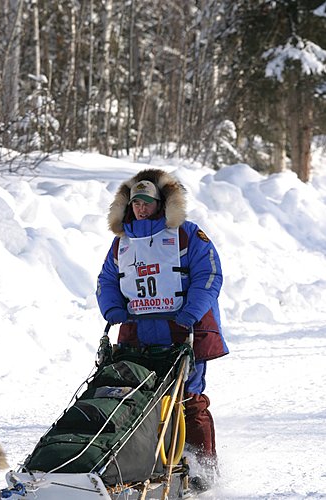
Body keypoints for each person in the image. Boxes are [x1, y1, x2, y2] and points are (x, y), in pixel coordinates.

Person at [96, 169, 229, 489]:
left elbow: (208, 276)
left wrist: (191, 313)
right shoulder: (122, 243)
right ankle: (145, 465)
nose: (141, 207)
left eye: (147, 202)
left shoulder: (187, 235)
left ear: (161, 203)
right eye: (135, 202)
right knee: (134, 399)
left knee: (189, 399)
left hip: (183, 331)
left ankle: (204, 469)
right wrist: (113, 309)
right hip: (138, 332)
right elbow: (107, 280)